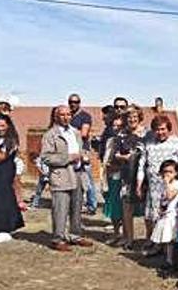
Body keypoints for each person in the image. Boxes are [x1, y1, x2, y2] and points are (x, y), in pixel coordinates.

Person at [40, 106, 92, 251]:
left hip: (77, 174)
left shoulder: (75, 132)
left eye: (68, 114)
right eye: (62, 114)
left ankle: (75, 235)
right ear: (56, 117)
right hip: (61, 175)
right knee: (60, 209)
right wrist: (69, 158)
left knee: (76, 207)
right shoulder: (50, 135)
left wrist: (83, 157)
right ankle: (58, 238)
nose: (66, 117)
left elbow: (80, 150)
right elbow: (46, 157)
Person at [137, 115, 178, 255]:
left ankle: (169, 247)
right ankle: (156, 244)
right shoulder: (149, 143)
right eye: (157, 130)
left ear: (168, 128)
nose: (160, 132)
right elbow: (142, 165)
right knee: (153, 217)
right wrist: (139, 185)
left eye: (163, 129)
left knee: (168, 217)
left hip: (170, 187)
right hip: (153, 187)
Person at [113, 106, 147, 249]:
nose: (132, 119)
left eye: (134, 117)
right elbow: (115, 154)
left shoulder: (147, 134)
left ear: (139, 117)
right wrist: (125, 157)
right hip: (127, 174)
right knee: (127, 208)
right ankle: (129, 239)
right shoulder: (121, 134)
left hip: (144, 175)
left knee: (147, 209)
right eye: (129, 117)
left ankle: (150, 239)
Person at [149, 159, 178, 272]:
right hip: (165, 214)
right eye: (165, 171)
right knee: (166, 240)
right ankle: (168, 260)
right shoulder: (163, 184)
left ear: (176, 173)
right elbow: (163, 199)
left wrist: (167, 183)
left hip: (173, 216)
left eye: (170, 171)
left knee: (171, 239)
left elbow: (170, 196)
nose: (167, 174)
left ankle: (172, 261)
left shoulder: (177, 184)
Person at [68, 93, 97, 214]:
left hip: (82, 150)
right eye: (71, 102)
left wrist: (67, 133)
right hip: (70, 151)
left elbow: (84, 133)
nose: (73, 104)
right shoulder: (68, 116)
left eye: (76, 102)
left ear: (79, 103)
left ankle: (91, 205)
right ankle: (77, 203)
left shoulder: (85, 116)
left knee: (87, 178)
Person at [101, 114, 124, 238]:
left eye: (119, 126)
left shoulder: (126, 140)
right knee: (112, 205)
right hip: (109, 176)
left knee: (121, 207)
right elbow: (105, 159)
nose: (116, 128)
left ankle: (124, 234)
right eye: (114, 126)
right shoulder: (110, 141)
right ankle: (116, 233)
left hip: (121, 177)